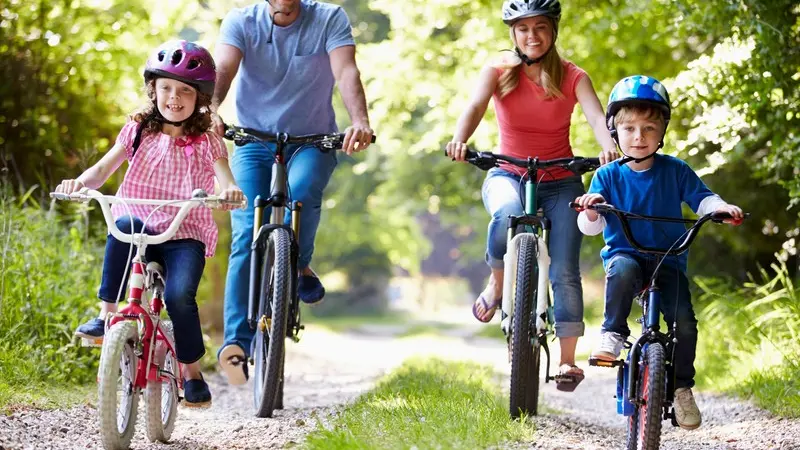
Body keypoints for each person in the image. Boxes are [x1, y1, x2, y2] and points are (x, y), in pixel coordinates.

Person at [56, 40, 245, 407]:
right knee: (121, 223)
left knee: (178, 297)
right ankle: (107, 315)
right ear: (153, 90)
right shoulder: (138, 130)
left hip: (183, 233)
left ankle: (191, 372)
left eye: (185, 91)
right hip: (140, 226)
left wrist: (231, 192)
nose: (174, 97)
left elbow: (226, 179)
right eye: (166, 88)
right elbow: (102, 170)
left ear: (200, 98)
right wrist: (79, 184)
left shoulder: (207, 141)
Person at [445, 0, 618, 391]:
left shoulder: (574, 76)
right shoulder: (499, 71)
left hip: (561, 180)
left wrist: (608, 147)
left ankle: (568, 362)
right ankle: (497, 282)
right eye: (523, 28)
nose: (532, 36)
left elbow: (595, 116)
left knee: (564, 270)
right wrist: (460, 139)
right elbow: (474, 106)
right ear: (513, 33)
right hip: (508, 172)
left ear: (553, 30)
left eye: (540, 27)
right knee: (505, 214)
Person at [212, 0, 374, 385]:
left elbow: (346, 70)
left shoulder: (329, 17)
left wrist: (359, 120)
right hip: (253, 140)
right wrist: (212, 108)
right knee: (247, 228)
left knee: (301, 192)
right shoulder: (241, 20)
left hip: (312, 140)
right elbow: (223, 69)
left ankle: (297, 261)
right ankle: (237, 342)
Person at [573, 75, 744, 429]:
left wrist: (720, 208)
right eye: (630, 128)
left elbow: (703, 198)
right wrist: (592, 207)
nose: (639, 137)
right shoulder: (606, 176)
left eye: (649, 128)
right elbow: (591, 227)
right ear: (614, 131)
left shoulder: (676, 170)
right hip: (627, 255)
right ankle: (613, 333)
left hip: (669, 258)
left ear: (662, 130)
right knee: (620, 272)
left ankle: (682, 388)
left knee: (685, 323)